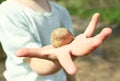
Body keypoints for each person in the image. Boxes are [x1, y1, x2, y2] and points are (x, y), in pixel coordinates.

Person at [0, 0, 112, 81]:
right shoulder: (8, 11)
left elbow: (68, 54)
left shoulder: (60, 11)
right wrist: (57, 59)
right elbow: (36, 63)